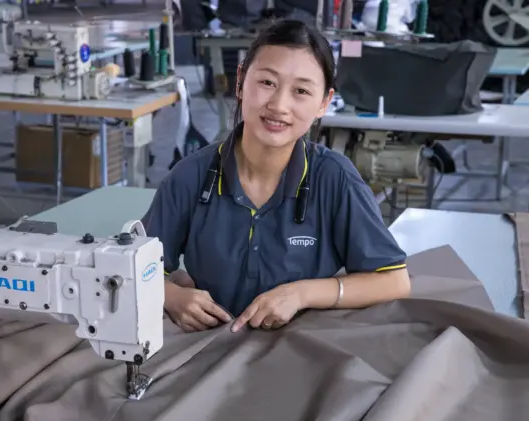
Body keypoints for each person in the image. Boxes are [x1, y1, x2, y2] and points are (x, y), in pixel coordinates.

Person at [141, 19, 411, 334]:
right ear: (241, 81)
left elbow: (394, 280)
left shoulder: (335, 180)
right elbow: (134, 266)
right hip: (209, 344)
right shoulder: (191, 176)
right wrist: (170, 295)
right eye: (267, 82)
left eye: (301, 91)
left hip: (302, 349)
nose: (279, 105)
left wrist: (301, 293)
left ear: (324, 102)